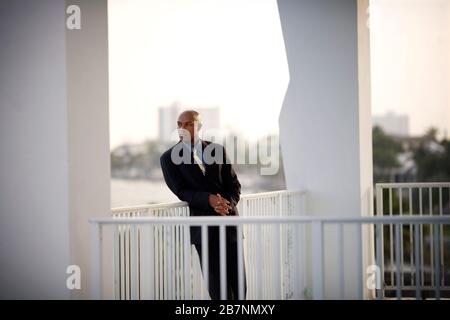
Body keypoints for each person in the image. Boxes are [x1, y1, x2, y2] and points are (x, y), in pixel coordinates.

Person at [160, 110, 246, 300]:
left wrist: (226, 205)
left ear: (199, 126)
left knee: (239, 286)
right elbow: (181, 191)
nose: (182, 128)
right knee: (218, 291)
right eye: (179, 124)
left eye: (188, 124)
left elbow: (234, 185)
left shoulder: (218, 150)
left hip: (230, 224)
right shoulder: (168, 158)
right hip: (204, 231)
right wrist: (208, 199)